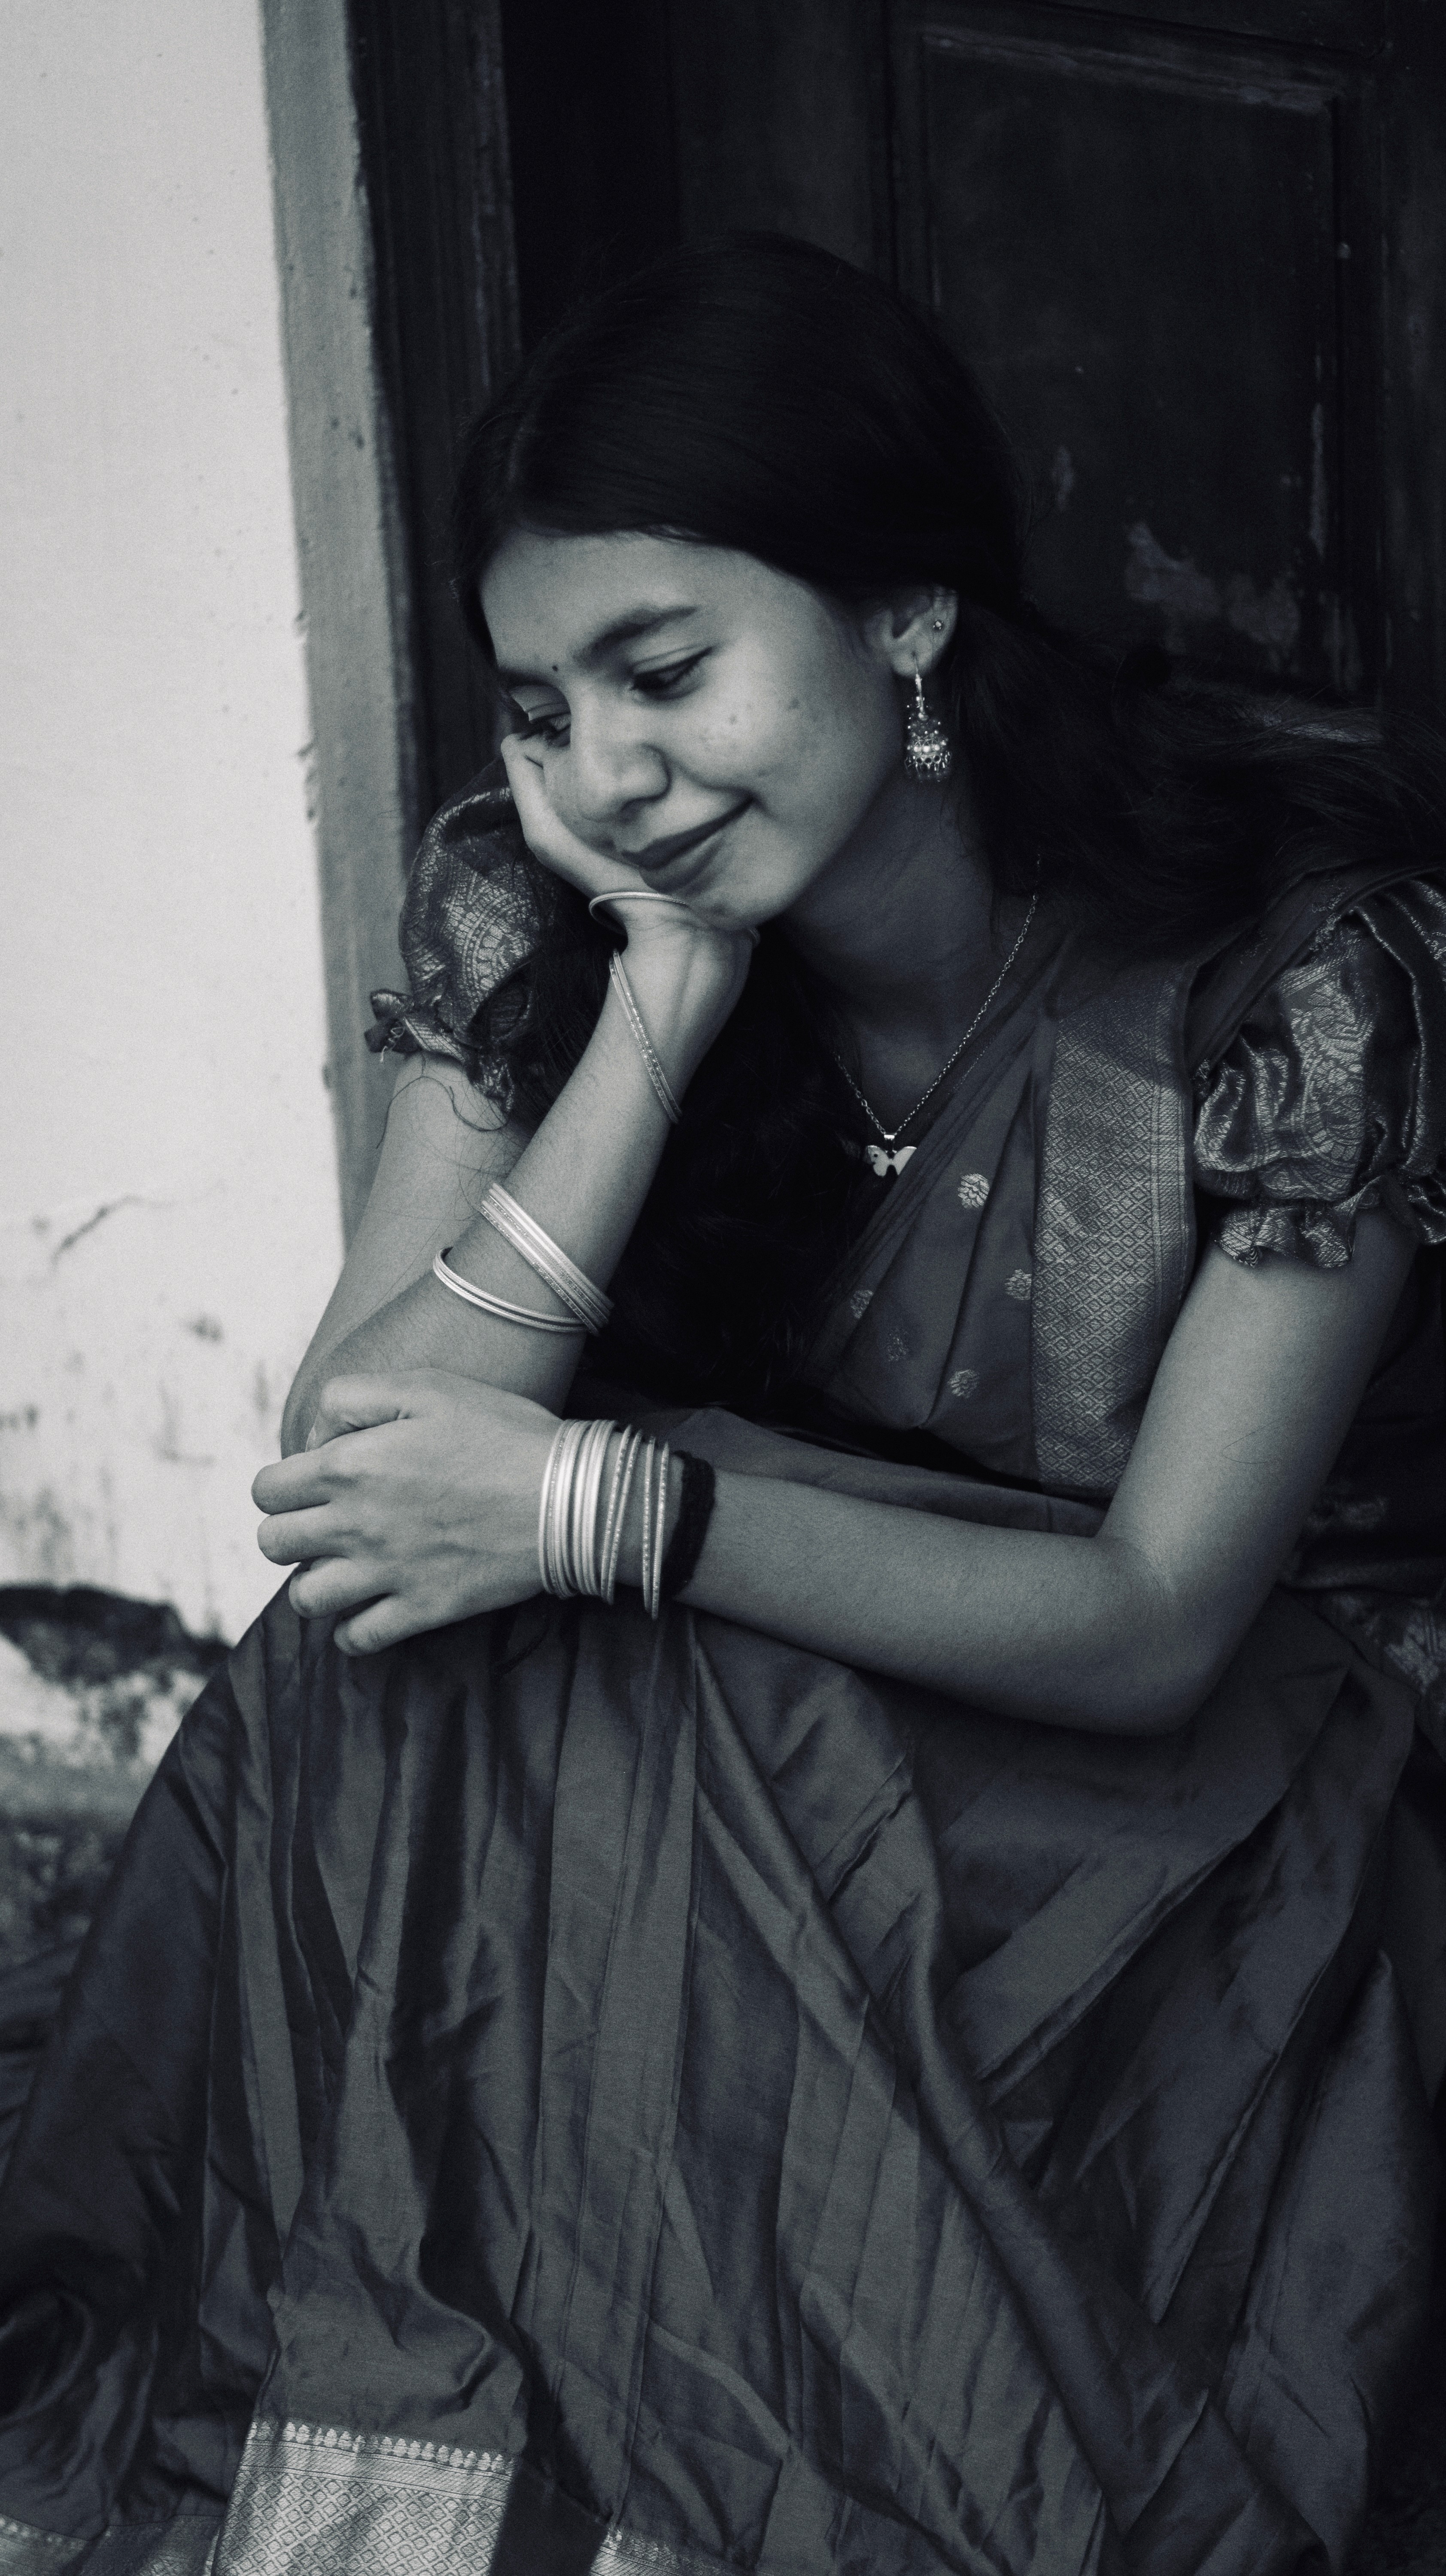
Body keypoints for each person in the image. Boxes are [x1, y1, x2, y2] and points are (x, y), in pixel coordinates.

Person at [0, 234, 1443, 2576]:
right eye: (542, 709)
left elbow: (1158, 1625)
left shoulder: (1292, 976)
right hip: (759, 1735)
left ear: (905, 614)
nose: (610, 773)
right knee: (399, 1659)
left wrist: (611, 1509)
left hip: (1176, 1799)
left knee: (588, 1674)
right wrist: (659, 1013)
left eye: (665, 672)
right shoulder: (550, 910)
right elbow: (360, 1471)